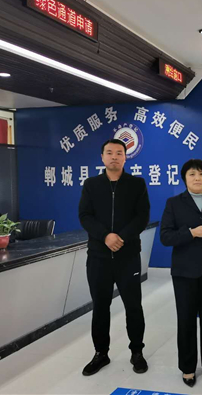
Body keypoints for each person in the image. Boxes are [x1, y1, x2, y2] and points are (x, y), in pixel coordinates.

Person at [79, 139, 150, 376]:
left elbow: (142, 217)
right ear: (102, 157)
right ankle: (101, 353)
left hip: (127, 256)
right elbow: (85, 216)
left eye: (119, 153)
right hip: (98, 256)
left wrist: (121, 238)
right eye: (109, 153)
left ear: (125, 157)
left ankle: (137, 352)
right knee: (100, 306)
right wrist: (105, 236)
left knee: (133, 305)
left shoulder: (137, 184)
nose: (114, 157)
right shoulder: (91, 185)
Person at [160, 159, 202, 388]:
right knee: (186, 320)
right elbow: (165, 237)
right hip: (184, 272)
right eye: (192, 174)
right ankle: (188, 368)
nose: (197, 178)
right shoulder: (174, 203)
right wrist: (191, 233)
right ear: (184, 178)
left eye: (201, 174)